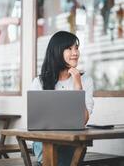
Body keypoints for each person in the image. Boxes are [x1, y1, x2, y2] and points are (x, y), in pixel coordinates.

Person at [30, 30, 94, 166]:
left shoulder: (85, 80)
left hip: (72, 143)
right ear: (57, 51)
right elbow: (35, 122)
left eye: (76, 48)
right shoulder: (40, 82)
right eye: (69, 48)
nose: (75, 53)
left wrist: (78, 85)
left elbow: (83, 120)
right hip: (45, 142)